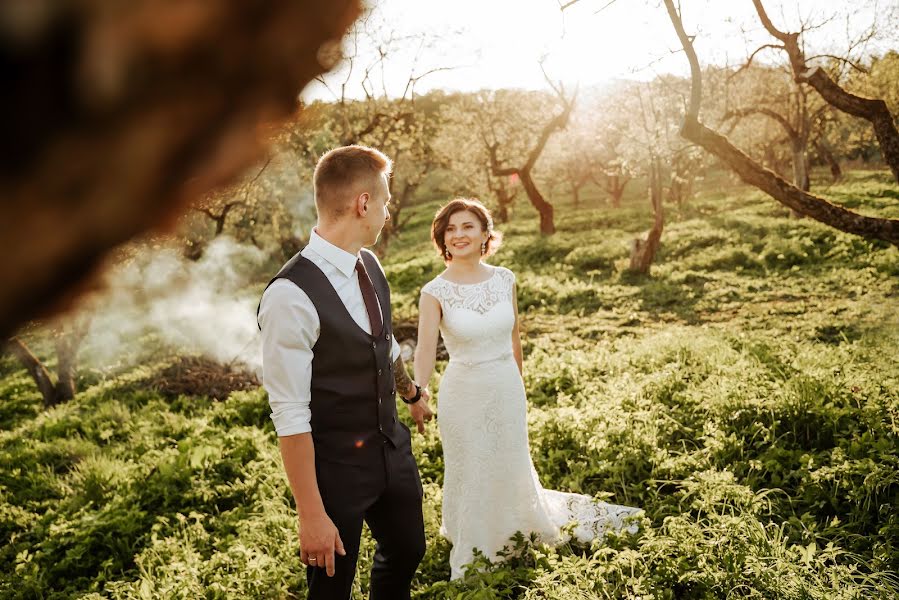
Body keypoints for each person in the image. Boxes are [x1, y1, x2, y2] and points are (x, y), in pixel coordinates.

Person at [414, 198, 641, 580]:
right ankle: (476, 543)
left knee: (508, 462)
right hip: (463, 394)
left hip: (505, 387)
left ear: (486, 233)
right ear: (442, 239)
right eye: (450, 229)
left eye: (467, 226)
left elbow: (515, 338)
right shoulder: (434, 291)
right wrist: (419, 392)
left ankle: (516, 529)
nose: (458, 235)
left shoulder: (505, 279)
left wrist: (517, 388)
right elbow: (423, 351)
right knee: (472, 469)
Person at [257, 145, 435, 599]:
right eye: (386, 201)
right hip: (333, 472)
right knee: (331, 590)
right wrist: (310, 514)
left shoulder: (369, 264)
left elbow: (384, 343)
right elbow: (290, 413)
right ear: (363, 203)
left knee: (408, 549)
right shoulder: (289, 297)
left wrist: (411, 394)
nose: (388, 211)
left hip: (391, 451)